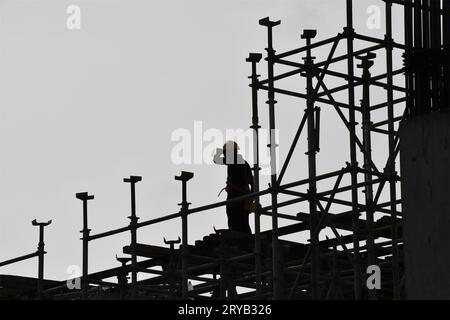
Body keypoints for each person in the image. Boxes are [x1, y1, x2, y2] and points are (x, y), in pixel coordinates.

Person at [213, 141, 254, 234]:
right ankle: (245, 236)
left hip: (235, 196)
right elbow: (252, 182)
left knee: (233, 215)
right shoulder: (244, 163)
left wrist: (218, 152)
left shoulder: (232, 160)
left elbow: (216, 160)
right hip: (245, 197)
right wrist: (251, 199)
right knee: (244, 219)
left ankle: (235, 234)